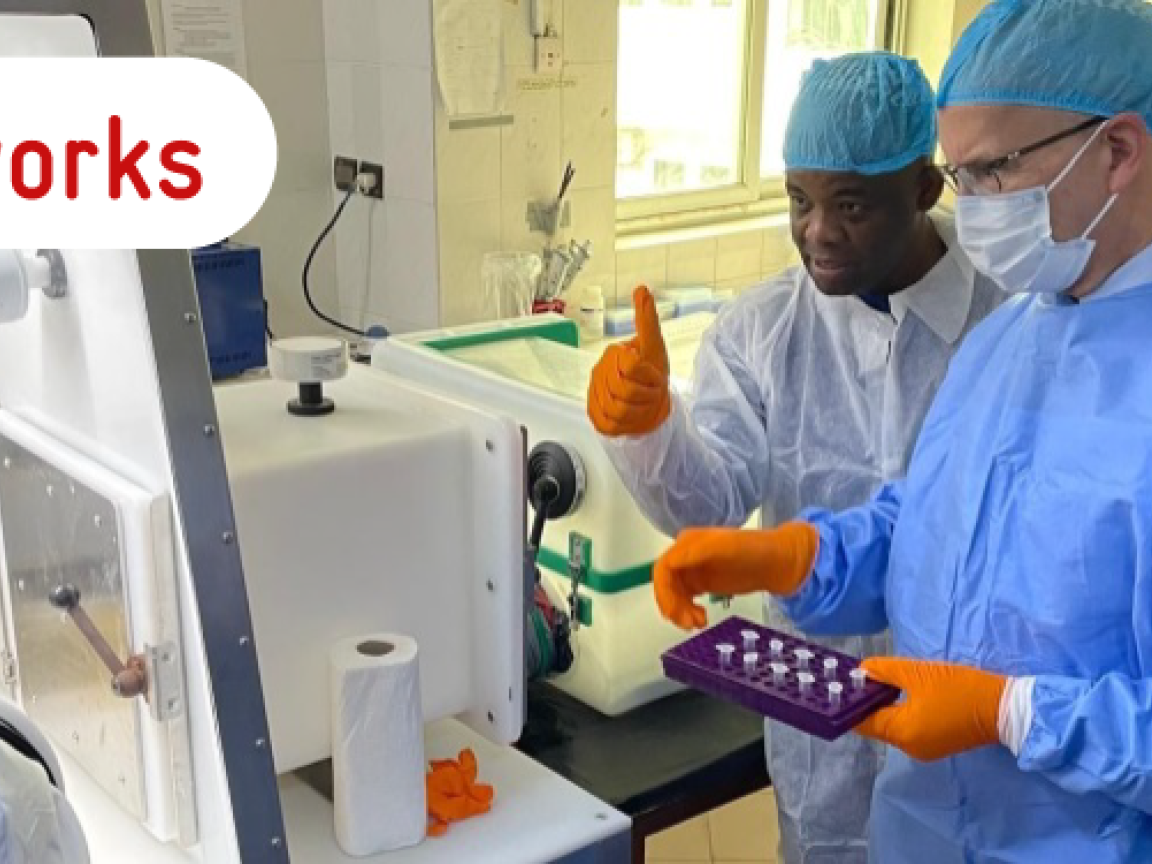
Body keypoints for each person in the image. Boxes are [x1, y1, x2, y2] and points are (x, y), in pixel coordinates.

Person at [649, 1, 1152, 861]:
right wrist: (802, 557)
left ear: (1117, 151)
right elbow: (936, 528)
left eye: (994, 169)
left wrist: (1011, 712)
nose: (976, 209)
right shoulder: (1011, 335)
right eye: (963, 179)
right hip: (918, 831)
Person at [588, 52, 1002, 864]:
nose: (818, 231)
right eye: (798, 200)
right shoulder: (763, 329)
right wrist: (648, 426)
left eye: (850, 204)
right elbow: (708, 507)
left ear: (924, 189)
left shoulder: (1009, 317)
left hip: (969, 717)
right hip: (822, 730)